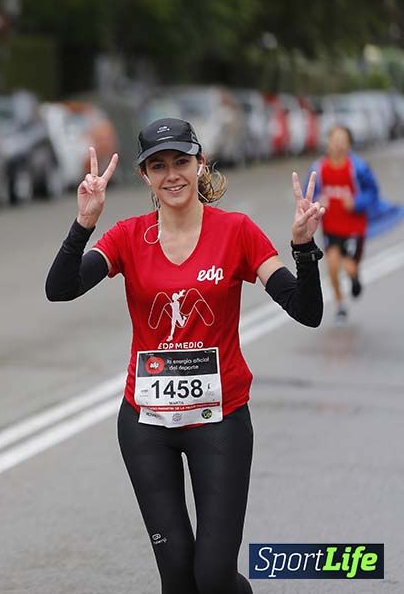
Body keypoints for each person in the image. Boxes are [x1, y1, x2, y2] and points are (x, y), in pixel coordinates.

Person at [45, 118, 325, 594]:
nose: (171, 174)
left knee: (213, 577)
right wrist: (84, 223)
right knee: (176, 575)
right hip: (146, 424)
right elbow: (61, 289)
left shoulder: (236, 231)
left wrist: (302, 248)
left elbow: (307, 311)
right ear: (145, 176)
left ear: (199, 164)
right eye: (159, 166)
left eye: (180, 162)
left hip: (220, 421)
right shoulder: (128, 237)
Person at [308, 125, 402, 324]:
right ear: (328, 142)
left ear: (349, 144)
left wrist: (356, 202)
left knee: (350, 266)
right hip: (331, 227)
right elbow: (311, 194)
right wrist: (318, 201)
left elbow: (372, 191)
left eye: (343, 140)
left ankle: (354, 277)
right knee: (332, 266)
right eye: (335, 139)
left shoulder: (357, 168)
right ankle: (341, 305)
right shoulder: (318, 169)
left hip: (354, 228)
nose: (338, 144)